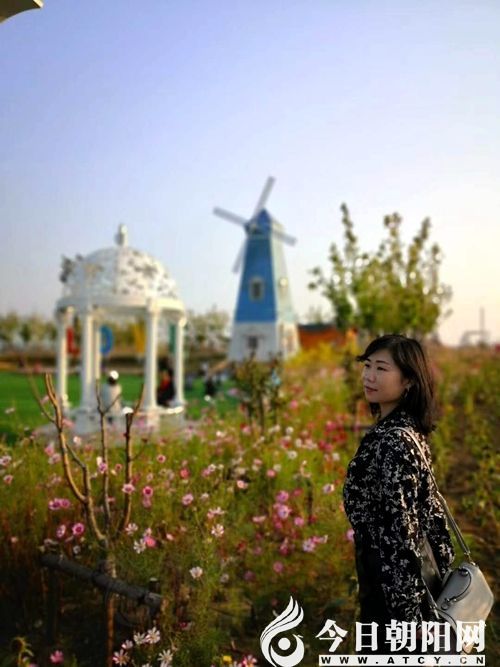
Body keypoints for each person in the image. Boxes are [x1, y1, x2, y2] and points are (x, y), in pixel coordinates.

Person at [343, 334, 455, 654]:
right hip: (402, 584)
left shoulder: (394, 441)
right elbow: (427, 514)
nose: (369, 376)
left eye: (381, 368)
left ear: (408, 380)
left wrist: (408, 618)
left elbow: (399, 534)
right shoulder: (407, 431)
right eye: (367, 366)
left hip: (391, 593)